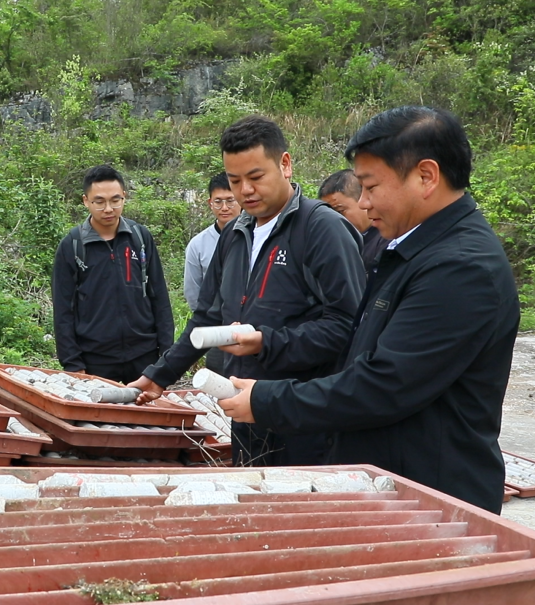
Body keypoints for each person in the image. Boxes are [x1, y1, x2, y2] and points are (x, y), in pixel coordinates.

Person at [218, 106, 519, 514]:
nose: (363, 202)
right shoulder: (412, 250)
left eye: (371, 186)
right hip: (394, 480)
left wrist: (269, 400)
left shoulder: (461, 268)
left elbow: (385, 385)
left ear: (426, 177)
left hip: (432, 497)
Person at [130, 115, 366, 467]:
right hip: (244, 410)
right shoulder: (234, 235)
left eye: (256, 177)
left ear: (285, 165)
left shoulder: (322, 229)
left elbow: (348, 327)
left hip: (305, 415)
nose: (245, 191)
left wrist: (265, 342)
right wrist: (160, 375)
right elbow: (208, 316)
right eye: (235, 180)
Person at [52, 164, 173, 384]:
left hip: (144, 357)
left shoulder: (140, 238)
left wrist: (167, 355)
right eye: (99, 202)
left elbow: (160, 298)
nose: (108, 208)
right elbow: (63, 310)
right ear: (85, 201)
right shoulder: (72, 245)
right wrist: (73, 363)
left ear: (124, 197)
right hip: (95, 362)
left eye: (115, 200)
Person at [183, 173, 240, 374]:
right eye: (218, 201)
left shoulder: (255, 236)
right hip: (217, 329)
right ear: (210, 203)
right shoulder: (198, 245)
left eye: (230, 200)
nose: (225, 207)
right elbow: (193, 291)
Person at [319, 169, 388, 274]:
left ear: (363, 200)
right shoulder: (333, 243)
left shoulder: (387, 240)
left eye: (340, 211)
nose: (335, 220)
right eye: (329, 215)